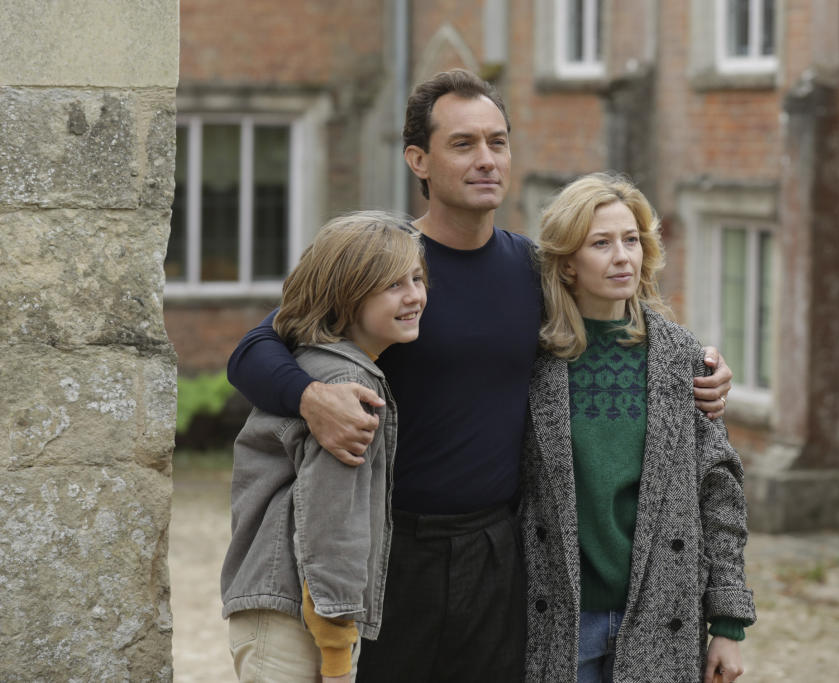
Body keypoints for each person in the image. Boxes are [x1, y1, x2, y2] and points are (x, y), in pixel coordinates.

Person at [226, 69, 734, 683]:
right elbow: (254, 349)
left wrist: (700, 364)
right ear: (419, 159)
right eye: (463, 144)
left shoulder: (534, 270)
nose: (486, 159)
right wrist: (309, 398)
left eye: (498, 142)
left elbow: (614, 315)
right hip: (393, 547)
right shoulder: (385, 265)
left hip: (498, 552)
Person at [521, 173, 756, 683]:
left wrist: (729, 624)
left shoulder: (681, 357)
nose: (622, 256)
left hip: (661, 616)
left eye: (631, 240)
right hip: (555, 617)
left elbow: (719, 493)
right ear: (566, 265)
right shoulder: (531, 358)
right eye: (601, 243)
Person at [220, 211, 427, 683]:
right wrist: (337, 656)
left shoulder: (311, 362)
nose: (414, 295)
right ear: (347, 296)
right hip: (299, 624)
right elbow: (332, 530)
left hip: (277, 608)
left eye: (417, 278)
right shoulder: (348, 385)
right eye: (393, 285)